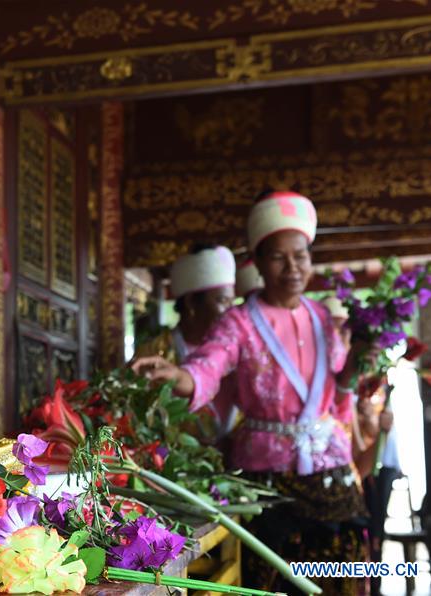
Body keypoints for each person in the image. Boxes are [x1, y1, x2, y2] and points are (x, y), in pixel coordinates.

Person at [132, 190, 369, 594]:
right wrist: (182, 377)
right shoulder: (238, 323)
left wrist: (358, 363)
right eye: (278, 256)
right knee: (277, 582)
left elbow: (340, 390)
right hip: (266, 480)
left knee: (346, 576)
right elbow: (209, 364)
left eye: (301, 256)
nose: (292, 268)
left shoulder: (325, 320)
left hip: (333, 473)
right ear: (257, 261)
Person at [134, 245, 237, 442]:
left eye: (233, 302)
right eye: (223, 301)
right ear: (191, 303)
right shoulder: (152, 354)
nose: (231, 313)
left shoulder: (239, 348)